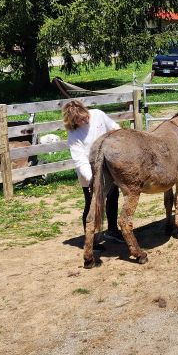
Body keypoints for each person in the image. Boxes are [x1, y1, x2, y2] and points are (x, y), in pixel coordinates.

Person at [63, 100, 121, 248]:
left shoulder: (98, 115)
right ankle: (90, 238)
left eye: (83, 116)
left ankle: (112, 230)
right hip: (89, 172)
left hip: (108, 166)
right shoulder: (74, 135)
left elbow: (115, 129)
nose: (84, 120)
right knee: (92, 204)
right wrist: (93, 180)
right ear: (73, 121)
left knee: (113, 197)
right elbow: (80, 160)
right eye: (79, 120)